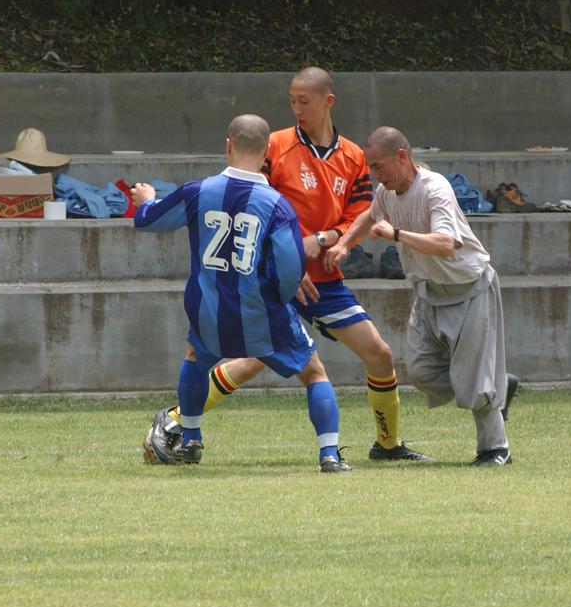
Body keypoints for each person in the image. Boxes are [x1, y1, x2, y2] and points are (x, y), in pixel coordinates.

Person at [147, 67, 431, 463]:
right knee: (251, 363)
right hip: (273, 280)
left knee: (380, 354)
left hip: (324, 282)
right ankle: (176, 422)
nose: (296, 108)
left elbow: (362, 210)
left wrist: (329, 240)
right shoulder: (274, 146)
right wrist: (291, 263)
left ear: (327, 101)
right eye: (292, 100)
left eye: (304, 100)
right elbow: (251, 210)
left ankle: (387, 445)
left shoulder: (351, 156)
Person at [133, 114, 350, 473]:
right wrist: (279, 302)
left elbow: (148, 221)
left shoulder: (197, 191)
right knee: (314, 373)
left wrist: (147, 198)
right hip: (262, 315)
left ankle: (191, 440)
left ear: (228, 146)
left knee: (194, 358)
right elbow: (290, 269)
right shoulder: (278, 205)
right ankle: (329, 455)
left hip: (209, 313)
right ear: (267, 152)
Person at [324, 126, 518, 466]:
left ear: (401, 156)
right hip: (428, 292)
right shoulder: (386, 192)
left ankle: (495, 448)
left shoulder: (435, 189)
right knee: (421, 371)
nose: (374, 174)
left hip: (470, 289)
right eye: (370, 167)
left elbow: (446, 243)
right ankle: (495, 386)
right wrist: (343, 243)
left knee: (474, 381)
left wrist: (397, 234)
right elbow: (369, 217)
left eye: (378, 166)